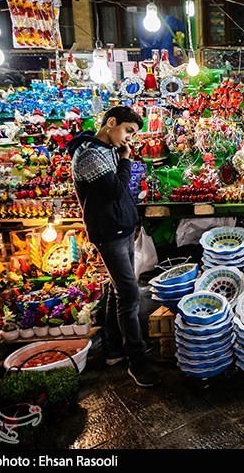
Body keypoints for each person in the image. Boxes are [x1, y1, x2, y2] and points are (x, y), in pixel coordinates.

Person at [67, 106, 161, 388]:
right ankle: (136, 361)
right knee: (128, 295)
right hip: (109, 232)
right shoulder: (90, 154)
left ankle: (114, 350)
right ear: (111, 123)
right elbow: (115, 191)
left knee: (118, 288)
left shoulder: (104, 148)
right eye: (128, 131)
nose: (129, 138)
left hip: (118, 228)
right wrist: (125, 161)